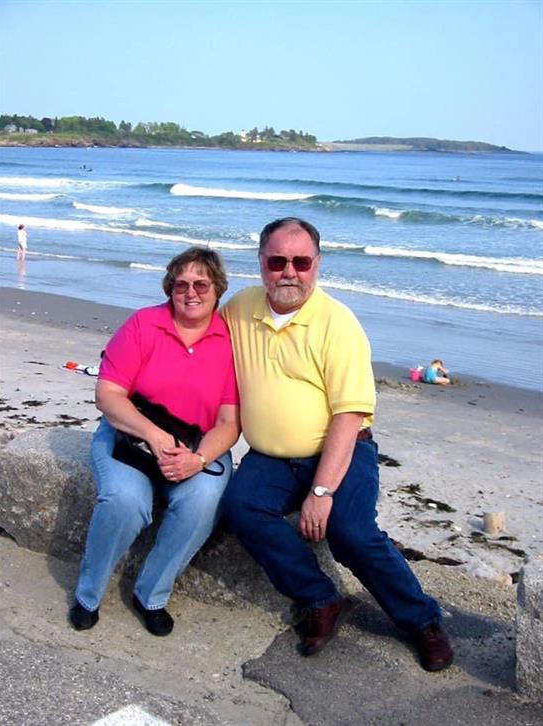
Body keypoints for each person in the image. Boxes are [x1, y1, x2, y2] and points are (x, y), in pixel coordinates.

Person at [221, 217, 453, 672]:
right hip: (270, 457)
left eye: (301, 261)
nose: (289, 271)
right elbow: (195, 335)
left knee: (352, 534)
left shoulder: (337, 323)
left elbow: (349, 417)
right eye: (278, 261)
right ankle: (322, 599)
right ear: (262, 263)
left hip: (342, 449)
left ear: (317, 265)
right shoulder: (240, 309)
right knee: (241, 506)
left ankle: (422, 621)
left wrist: (321, 493)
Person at [70, 247, 240, 636]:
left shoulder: (230, 342)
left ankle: (151, 594)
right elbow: (108, 395)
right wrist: (154, 435)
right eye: (181, 284)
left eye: (201, 284)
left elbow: (230, 423)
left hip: (198, 443)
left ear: (217, 289)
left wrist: (197, 460)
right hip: (130, 434)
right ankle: (88, 594)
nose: (191, 292)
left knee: (202, 500)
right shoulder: (144, 325)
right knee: (126, 502)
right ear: (169, 288)